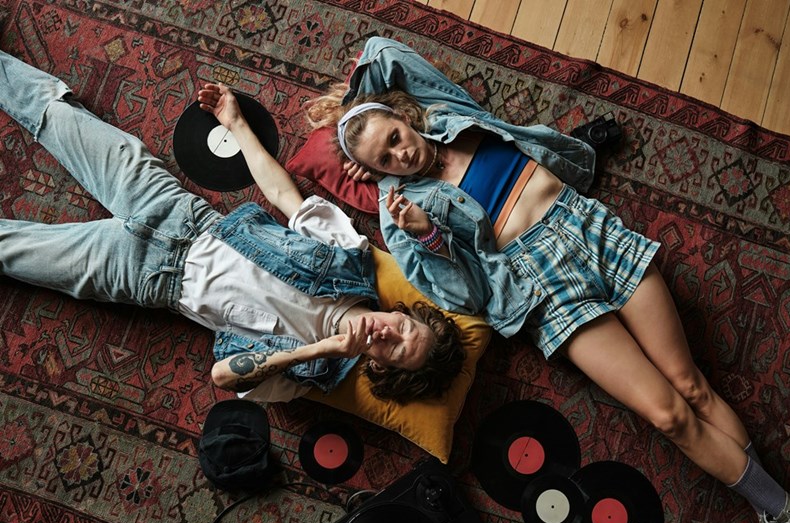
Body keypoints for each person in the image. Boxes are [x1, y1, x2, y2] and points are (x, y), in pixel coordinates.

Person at [305, 37, 790, 523]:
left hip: (587, 229)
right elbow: (464, 296)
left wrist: (346, 111)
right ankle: (785, 512)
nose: (401, 154)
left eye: (393, 137)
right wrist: (428, 234)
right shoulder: (399, 213)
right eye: (384, 161)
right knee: (668, 414)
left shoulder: (445, 111)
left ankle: (777, 507)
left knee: (693, 386)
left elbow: (381, 51)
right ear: (377, 174)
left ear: (401, 117)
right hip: (540, 284)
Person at [0, 48, 464, 406]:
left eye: (398, 351)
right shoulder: (351, 255)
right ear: (404, 314)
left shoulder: (310, 379)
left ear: (385, 369)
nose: (390, 334)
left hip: (145, 276)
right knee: (58, 115)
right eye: (404, 329)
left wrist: (318, 350)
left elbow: (224, 374)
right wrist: (236, 122)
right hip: (180, 212)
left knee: (10, 251)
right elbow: (287, 199)